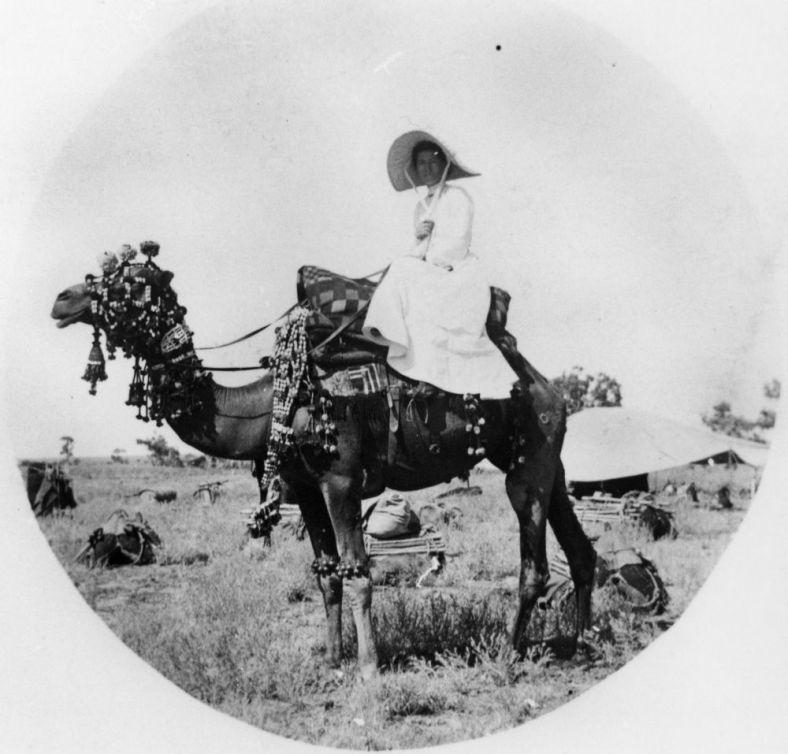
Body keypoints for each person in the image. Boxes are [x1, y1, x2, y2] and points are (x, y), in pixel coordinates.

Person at [363, 130, 518, 397]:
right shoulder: (420, 207)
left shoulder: (457, 197)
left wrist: (427, 259)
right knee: (400, 267)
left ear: (443, 163)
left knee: (404, 269)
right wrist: (419, 239)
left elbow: (457, 243)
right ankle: (398, 347)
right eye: (421, 163)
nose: (427, 168)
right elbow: (420, 252)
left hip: (458, 273)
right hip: (431, 272)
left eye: (432, 161)